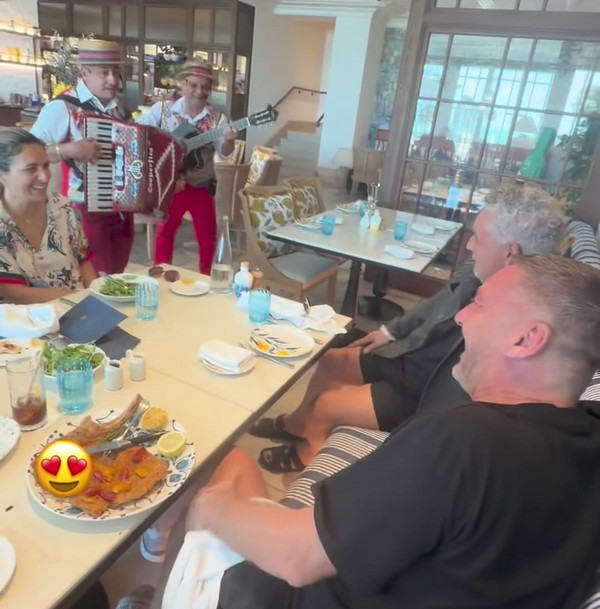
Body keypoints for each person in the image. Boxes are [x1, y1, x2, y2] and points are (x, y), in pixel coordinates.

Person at [125, 254, 600, 609]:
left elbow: (296, 557)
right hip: (406, 575)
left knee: (209, 475)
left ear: (526, 339)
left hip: (286, 594)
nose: (460, 316)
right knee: (236, 468)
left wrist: (211, 507)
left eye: (479, 305)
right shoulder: (584, 439)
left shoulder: (466, 441)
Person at [251, 183, 569, 472]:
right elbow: (438, 303)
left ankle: (309, 451)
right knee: (333, 360)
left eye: (477, 237)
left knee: (326, 406)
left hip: (422, 394)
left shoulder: (519, 326)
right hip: (411, 360)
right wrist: (391, 332)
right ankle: (295, 425)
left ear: (510, 252)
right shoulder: (482, 274)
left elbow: (471, 407)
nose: (469, 246)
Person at [30, 38, 134, 275]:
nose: (112, 79)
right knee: (96, 276)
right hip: (84, 209)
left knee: (117, 274)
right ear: (84, 73)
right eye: (104, 72)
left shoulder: (119, 109)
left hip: (122, 209)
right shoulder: (63, 107)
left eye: (115, 72)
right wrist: (70, 150)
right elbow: (27, 153)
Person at [136, 59, 237, 275]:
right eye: (194, 85)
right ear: (182, 83)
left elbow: (224, 153)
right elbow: (140, 134)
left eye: (205, 87)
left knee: (207, 237)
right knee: (165, 233)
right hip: (171, 186)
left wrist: (229, 141)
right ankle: (160, 277)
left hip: (201, 186)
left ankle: (206, 280)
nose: (199, 91)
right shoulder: (162, 110)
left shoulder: (218, 119)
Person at [0, 128, 96, 303]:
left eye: (46, 166)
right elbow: (16, 294)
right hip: (28, 318)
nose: (45, 177)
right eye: (31, 169)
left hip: (80, 310)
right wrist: (82, 299)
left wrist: (97, 296)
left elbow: (84, 262)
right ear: (2, 175)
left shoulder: (64, 207)